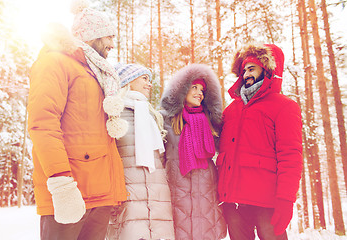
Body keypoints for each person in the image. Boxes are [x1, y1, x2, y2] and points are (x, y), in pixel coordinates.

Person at [27, 1, 128, 239]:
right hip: (70, 194)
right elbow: (43, 124)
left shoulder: (98, 73)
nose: (112, 44)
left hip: (99, 194)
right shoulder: (55, 62)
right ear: (93, 34)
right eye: (108, 37)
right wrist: (62, 184)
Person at [217, 43, 303, 240]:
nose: (246, 74)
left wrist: (285, 200)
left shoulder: (284, 107)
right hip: (234, 203)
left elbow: (290, 157)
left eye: (252, 68)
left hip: (267, 203)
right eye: (244, 69)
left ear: (267, 70)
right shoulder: (230, 111)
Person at [106, 63, 175, 240]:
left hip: (157, 197)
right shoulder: (114, 114)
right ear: (129, 80)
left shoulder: (153, 116)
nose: (149, 84)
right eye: (144, 78)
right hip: (128, 199)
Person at [160, 64, 227, 240]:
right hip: (177, 191)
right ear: (181, 90)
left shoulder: (210, 123)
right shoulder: (166, 121)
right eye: (194, 87)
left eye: (202, 90)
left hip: (206, 191)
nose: (199, 93)